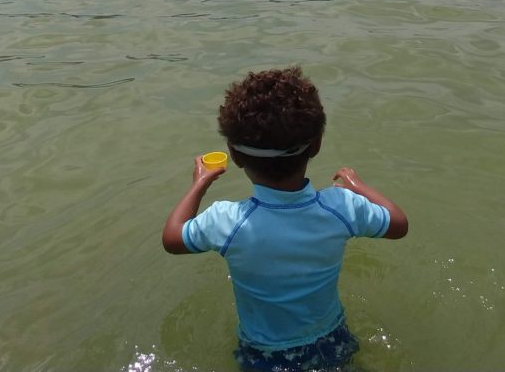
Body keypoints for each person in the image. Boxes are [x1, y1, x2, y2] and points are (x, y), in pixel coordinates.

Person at [162, 67, 408, 371]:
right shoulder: (342, 207)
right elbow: (398, 224)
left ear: (234, 156)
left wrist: (199, 183)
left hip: (263, 355)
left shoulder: (227, 221)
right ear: (316, 145)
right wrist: (359, 186)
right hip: (332, 341)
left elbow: (173, 238)